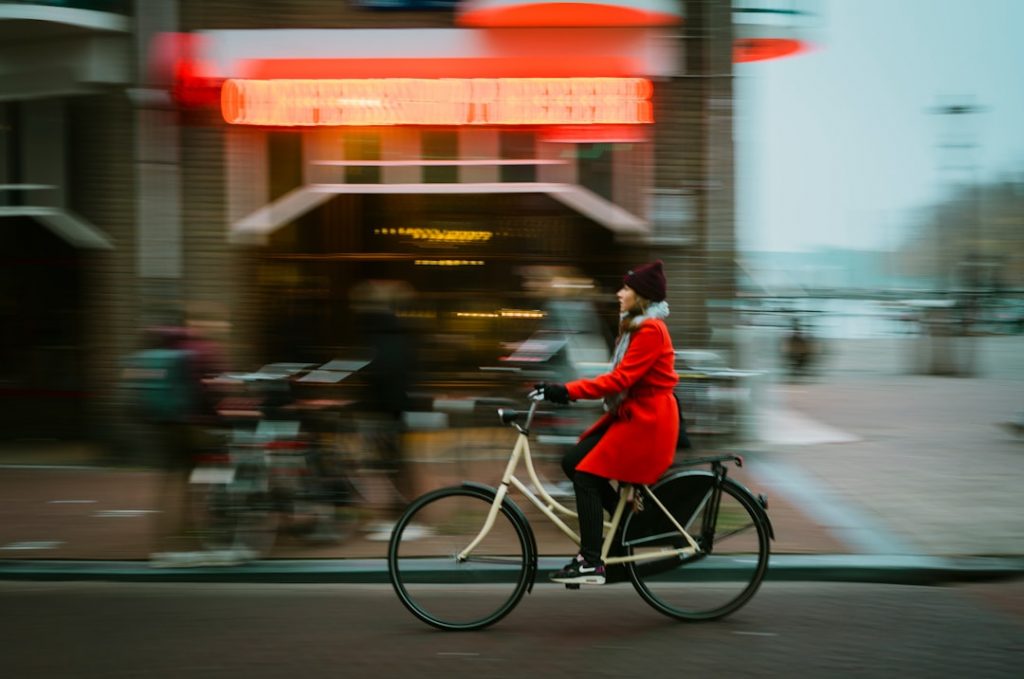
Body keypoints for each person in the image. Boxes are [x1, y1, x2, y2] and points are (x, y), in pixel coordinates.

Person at [536, 260, 679, 585]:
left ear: (640, 295)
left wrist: (566, 391)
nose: (619, 293)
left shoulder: (650, 330)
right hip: (634, 417)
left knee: (586, 476)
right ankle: (629, 523)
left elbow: (619, 380)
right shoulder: (635, 327)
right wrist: (559, 390)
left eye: (626, 288)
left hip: (648, 424)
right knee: (573, 462)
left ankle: (590, 561)